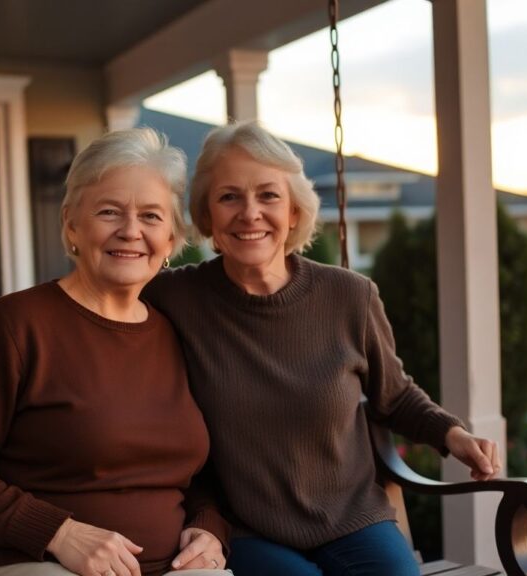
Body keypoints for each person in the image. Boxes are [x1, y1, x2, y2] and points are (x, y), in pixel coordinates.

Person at [143, 122, 502, 576]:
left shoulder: (351, 295)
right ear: (208, 216)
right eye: (229, 197)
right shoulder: (176, 298)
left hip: (353, 520)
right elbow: (106, 301)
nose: (250, 213)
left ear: (294, 211)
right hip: (248, 530)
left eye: (269, 196)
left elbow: (395, 395)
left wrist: (454, 436)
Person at [0, 128, 230, 576]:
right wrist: (60, 534)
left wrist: (208, 528)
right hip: (38, 564)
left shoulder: (175, 333)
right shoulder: (15, 324)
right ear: (71, 224)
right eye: (109, 211)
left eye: (150, 216)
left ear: (171, 240)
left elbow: (194, 474)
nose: (130, 231)